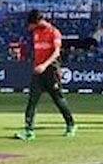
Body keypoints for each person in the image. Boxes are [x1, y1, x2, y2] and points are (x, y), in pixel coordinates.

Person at [14, 10, 76, 140]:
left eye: (31, 24)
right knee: (32, 100)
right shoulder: (36, 32)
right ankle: (29, 131)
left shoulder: (54, 32)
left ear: (37, 21)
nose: (29, 27)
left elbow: (56, 53)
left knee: (58, 99)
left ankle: (71, 124)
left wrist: (44, 65)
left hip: (51, 71)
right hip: (38, 72)